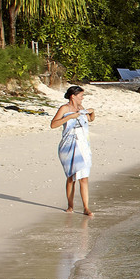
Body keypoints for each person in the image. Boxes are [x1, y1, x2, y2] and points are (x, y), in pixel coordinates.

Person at [50, 85, 95, 214]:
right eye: (81, 96)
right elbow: (53, 124)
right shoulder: (64, 108)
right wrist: (70, 117)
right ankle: (70, 206)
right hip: (69, 145)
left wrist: (92, 112)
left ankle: (86, 208)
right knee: (71, 178)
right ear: (73, 96)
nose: (82, 98)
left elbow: (90, 119)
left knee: (84, 178)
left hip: (83, 145)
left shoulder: (81, 108)